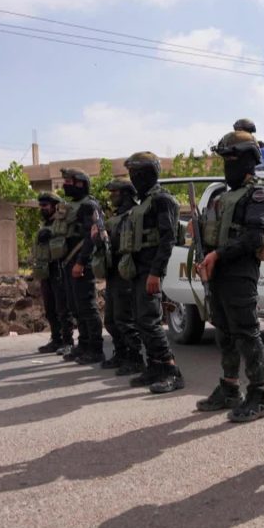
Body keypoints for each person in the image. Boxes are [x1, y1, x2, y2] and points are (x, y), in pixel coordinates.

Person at [194, 130, 264, 422]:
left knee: (246, 333)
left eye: (233, 159)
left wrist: (218, 255)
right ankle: (230, 388)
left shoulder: (259, 195)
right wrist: (204, 254)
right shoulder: (222, 196)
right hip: (217, 271)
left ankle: (259, 395)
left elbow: (254, 238)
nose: (228, 165)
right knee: (224, 332)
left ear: (248, 160)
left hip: (240, 273)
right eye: (225, 159)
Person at [115, 152, 185, 394]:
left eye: (136, 173)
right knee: (140, 320)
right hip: (137, 270)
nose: (133, 178)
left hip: (150, 270)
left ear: (147, 174)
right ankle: (154, 366)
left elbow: (167, 239)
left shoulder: (161, 200)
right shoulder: (143, 202)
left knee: (150, 321)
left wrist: (156, 273)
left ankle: (171, 371)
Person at [58, 167, 106, 365]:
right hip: (69, 262)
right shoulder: (71, 206)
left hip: (81, 262)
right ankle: (84, 344)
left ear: (81, 184)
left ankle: (96, 348)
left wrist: (81, 262)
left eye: (69, 182)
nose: (65, 185)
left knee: (87, 306)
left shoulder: (89, 205)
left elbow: (91, 237)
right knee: (75, 306)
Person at [100, 179, 146, 375]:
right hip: (113, 273)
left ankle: (135, 358)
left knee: (125, 319)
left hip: (126, 272)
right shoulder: (117, 216)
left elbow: (130, 242)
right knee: (111, 320)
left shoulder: (134, 215)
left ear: (126, 194)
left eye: (115, 193)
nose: (111, 197)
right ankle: (121, 353)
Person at [32, 191, 75, 354]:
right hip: (46, 270)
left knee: (63, 308)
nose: (42, 208)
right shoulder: (44, 224)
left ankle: (68, 341)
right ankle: (56, 339)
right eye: (41, 205)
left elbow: (67, 241)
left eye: (45, 205)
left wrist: (51, 234)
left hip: (59, 269)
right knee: (50, 308)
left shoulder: (62, 222)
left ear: (55, 206)